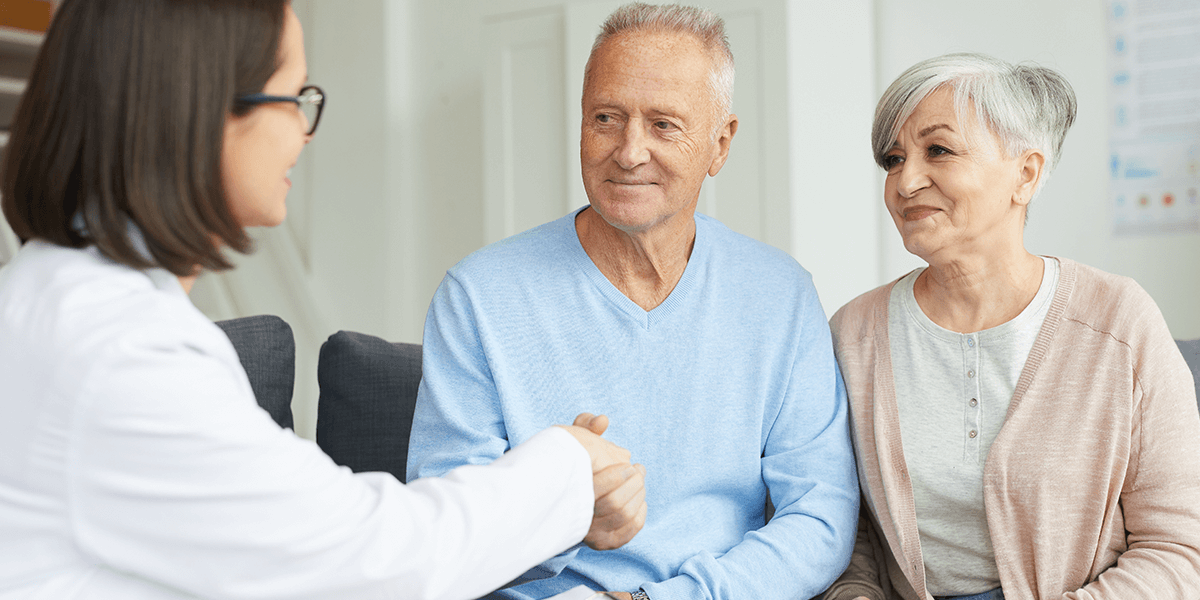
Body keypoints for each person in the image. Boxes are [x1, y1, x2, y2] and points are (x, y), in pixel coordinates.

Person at [0, 1, 646, 598]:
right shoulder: (123, 355)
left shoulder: (59, 299)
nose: (304, 133)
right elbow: (367, 561)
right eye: (294, 97)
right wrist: (566, 463)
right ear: (200, 111)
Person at [406, 3, 859, 599]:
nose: (628, 150)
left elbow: (820, 518)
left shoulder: (781, 295)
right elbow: (443, 538)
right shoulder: (478, 298)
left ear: (720, 144)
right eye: (606, 117)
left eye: (664, 124)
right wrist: (560, 504)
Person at [821, 53, 1200, 600]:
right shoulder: (853, 336)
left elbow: (1178, 549)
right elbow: (845, 533)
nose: (905, 181)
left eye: (939, 150)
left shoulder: (1119, 321)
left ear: (1026, 174)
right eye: (893, 158)